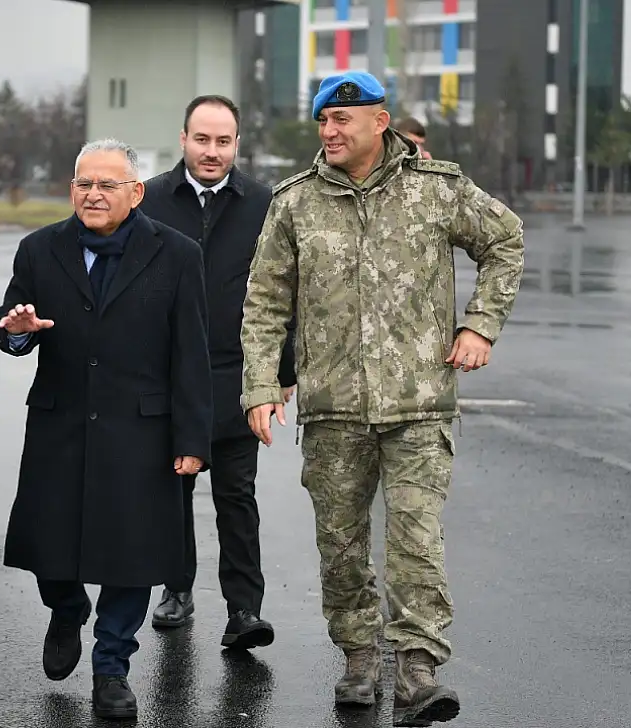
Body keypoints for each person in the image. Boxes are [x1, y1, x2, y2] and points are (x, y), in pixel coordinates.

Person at [240, 71, 524, 725]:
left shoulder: (438, 190)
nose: (329, 132)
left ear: (381, 121)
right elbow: (263, 303)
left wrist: (481, 323)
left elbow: (504, 241)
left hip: (419, 403)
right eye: (323, 122)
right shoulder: (295, 203)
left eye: (343, 121)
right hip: (334, 407)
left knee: (415, 540)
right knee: (340, 545)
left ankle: (419, 667)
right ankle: (360, 657)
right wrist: (259, 386)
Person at [0, 138, 211, 721]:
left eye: (107, 184)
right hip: (60, 424)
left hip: (142, 431)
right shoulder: (41, 249)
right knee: (50, 548)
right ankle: (65, 609)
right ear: (72, 190)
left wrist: (193, 440)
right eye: (83, 184)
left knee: (132, 556)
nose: (93, 194)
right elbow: (12, 326)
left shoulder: (178, 254)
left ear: (135, 192)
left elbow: (192, 353)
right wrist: (16, 328)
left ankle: (112, 666)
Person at [138, 94, 296, 647]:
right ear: (183, 139)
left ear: (236, 144)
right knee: (173, 490)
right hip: (165, 375)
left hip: (237, 373)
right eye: (201, 139)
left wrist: (282, 371)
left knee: (237, 493)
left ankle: (244, 610)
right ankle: (176, 589)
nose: (211, 151)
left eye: (223, 141)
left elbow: (286, 290)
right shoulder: (150, 199)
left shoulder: (263, 202)